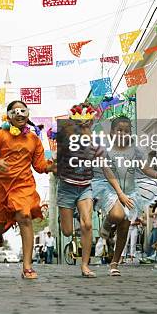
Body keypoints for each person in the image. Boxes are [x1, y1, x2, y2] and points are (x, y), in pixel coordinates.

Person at [92, 116, 157, 277]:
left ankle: (114, 263)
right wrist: (120, 194)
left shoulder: (135, 150)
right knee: (117, 214)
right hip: (110, 189)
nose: (123, 134)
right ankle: (107, 225)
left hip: (131, 191)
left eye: (127, 131)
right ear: (112, 132)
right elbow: (107, 171)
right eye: (119, 130)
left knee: (124, 226)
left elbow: (146, 169)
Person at [56, 104, 131, 278]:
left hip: (85, 187)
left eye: (88, 123)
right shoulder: (67, 139)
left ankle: (84, 266)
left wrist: (119, 192)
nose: (85, 125)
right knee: (67, 231)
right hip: (66, 189)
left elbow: (106, 169)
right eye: (81, 123)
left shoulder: (95, 143)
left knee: (88, 224)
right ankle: (65, 216)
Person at [0, 101, 57, 279]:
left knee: (24, 216)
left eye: (23, 111)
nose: (19, 114)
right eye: (15, 111)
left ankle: (27, 266)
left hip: (23, 184)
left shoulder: (33, 139)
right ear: (9, 115)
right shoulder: (0, 135)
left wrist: (51, 167)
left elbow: (39, 165)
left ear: (27, 114)